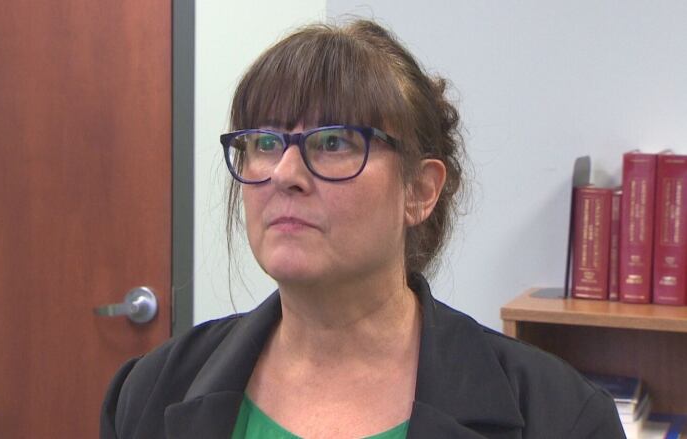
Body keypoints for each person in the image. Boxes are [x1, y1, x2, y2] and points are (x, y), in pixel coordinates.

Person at [100, 19, 624, 439]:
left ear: (419, 190)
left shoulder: (561, 417)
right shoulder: (149, 393)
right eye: (263, 143)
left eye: (333, 143)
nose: (285, 174)